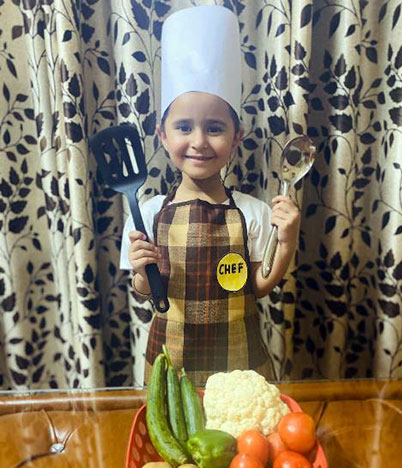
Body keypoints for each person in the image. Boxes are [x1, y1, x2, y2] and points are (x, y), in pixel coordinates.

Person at [120, 5, 300, 385]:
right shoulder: (146, 213)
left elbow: (259, 287)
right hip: (171, 365)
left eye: (215, 128)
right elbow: (145, 292)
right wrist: (141, 271)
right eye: (184, 127)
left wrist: (287, 241)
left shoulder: (252, 212)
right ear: (162, 135)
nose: (199, 141)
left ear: (237, 137)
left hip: (239, 362)